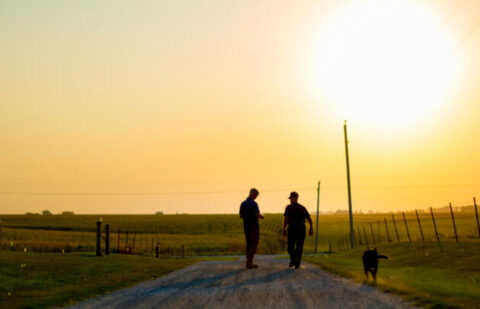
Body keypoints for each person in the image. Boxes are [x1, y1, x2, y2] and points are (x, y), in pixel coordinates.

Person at [283, 191, 313, 269]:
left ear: (295, 198)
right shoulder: (293, 207)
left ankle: (296, 262)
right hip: (298, 227)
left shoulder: (298, 208)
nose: (290, 200)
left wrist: (311, 228)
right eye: (290, 198)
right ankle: (295, 260)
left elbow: (309, 218)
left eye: (291, 198)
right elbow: (286, 219)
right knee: (293, 246)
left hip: (296, 228)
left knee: (296, 246)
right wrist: (284, 228)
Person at [239, 188, 264, 269]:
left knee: (248, 244)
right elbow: (257, 214)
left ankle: (249, 262)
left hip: (246, 226)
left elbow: (241, 216)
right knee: (254, 245)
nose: (256, 197)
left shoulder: (243, 203)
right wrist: (262, 216)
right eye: (256, 195)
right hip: (254, 226)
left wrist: (247, 216)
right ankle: (250, 263)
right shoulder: (254, 203)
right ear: (253, 194)